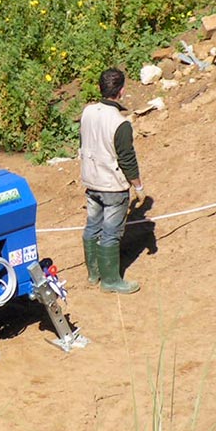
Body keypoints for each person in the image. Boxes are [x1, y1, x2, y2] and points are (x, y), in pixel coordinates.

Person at [79, 68, 143, 294]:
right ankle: (110, 280)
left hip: (91, 181)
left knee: (92, 226)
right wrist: (138, 185)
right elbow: (127, 158)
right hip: (112, 185)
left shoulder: (87, 112)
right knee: (110, 232)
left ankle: (93, 273)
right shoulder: (120, 122)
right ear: (122, 91)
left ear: (100, 88)